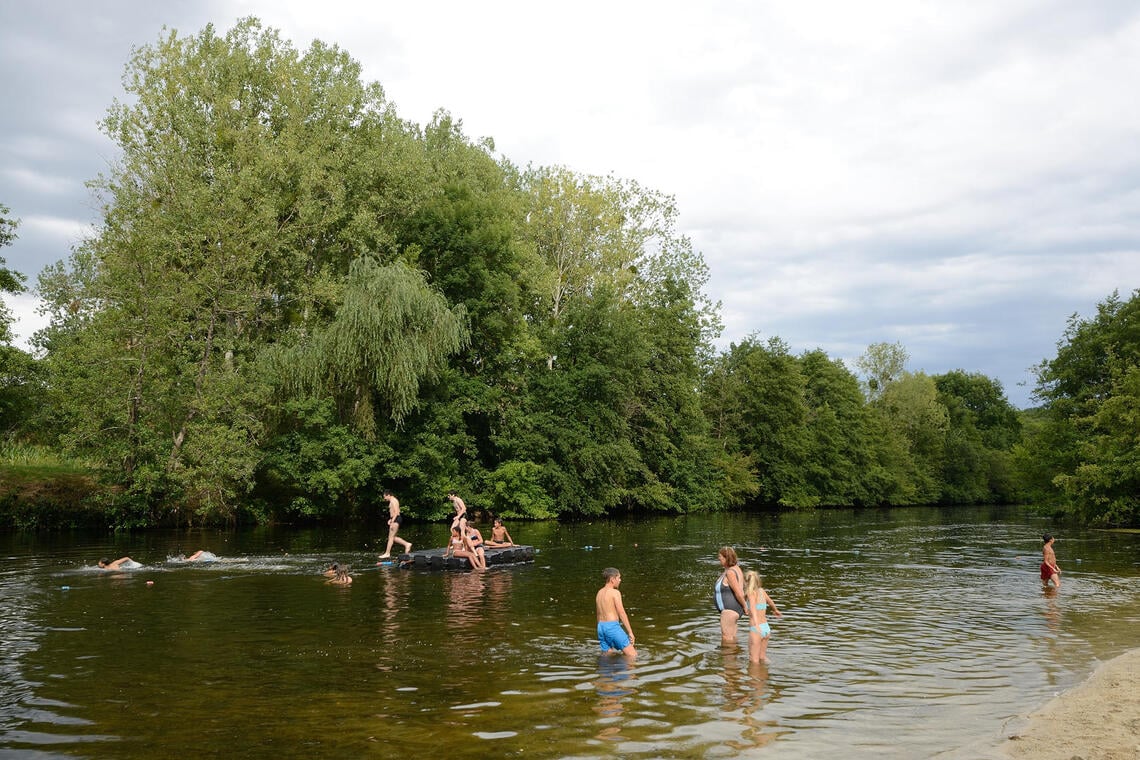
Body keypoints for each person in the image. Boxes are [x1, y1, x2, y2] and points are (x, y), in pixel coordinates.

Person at [743, 570, 782, 664]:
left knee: (754, 661)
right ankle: (764, 676)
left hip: (756, 629)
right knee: (762, 658)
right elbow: (770, 602)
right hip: (766, 628)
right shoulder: (762, 591)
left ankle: (753, 678)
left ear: (746, 582)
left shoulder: (750, 593)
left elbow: (752, 608)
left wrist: (756, 625)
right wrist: (775, 610)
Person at [596, 567, 636, 658]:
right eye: (618, 577)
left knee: (607, 656)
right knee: (633, 656)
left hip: (601, 627)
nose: (620, 580)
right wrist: (630, 632)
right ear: (612, 579)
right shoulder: (615, 592)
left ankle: (605, 671)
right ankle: (628, 672)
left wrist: (600, 629)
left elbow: (598, 614)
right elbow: (621, 613)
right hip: (612, 627)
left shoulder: (599, 593)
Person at [715, 546, 747, 643]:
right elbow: (744, 587)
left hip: (729, 610)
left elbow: (739, 592)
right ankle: (734, 656)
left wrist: (745, 607)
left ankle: (727, 657)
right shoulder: (736, 569)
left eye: (720, 557)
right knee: (732, 638)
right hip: (734, 609)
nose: (719, 559)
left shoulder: (730, 573)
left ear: (726, 558)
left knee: (726, 640)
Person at [377, 490, 412, 560]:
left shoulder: (394, 500)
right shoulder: (392, 501)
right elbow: (393, 512)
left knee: (390, 537)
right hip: (395, 519)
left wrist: (392, 520)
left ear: (388, 495)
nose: (384, 499)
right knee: (393, 537)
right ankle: (407, 544)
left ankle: (387, 553)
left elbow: (396, 512)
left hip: (396, 519)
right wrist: (390, 519)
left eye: (385, 497)